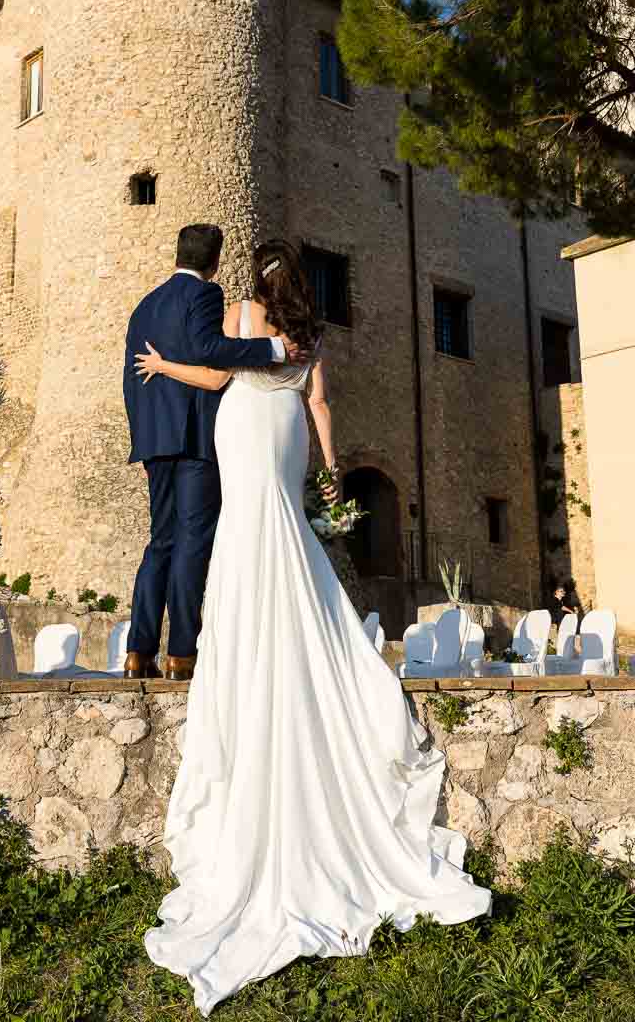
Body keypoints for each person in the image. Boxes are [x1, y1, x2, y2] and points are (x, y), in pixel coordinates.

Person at [133, 239, 492, 1016]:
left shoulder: (242, 314)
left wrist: (163, 370)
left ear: (256, 285)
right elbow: (318, 403)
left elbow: (217, 372)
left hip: (241, 427)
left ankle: (244, 649)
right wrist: (329, 465)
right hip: (286, 433)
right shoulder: (308, 333)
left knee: (242, 535)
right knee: (287, 533)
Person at [122, 224, 307, 682]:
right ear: (215, 262)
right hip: (194, 437)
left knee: (159, 541)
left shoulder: (144, 305)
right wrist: (272, 348)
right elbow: (212, 350)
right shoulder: (205, 295)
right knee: (192, 541)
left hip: (155, 439)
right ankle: (182, 652)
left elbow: (131, 377)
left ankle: (137, 651)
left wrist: (145, 434)